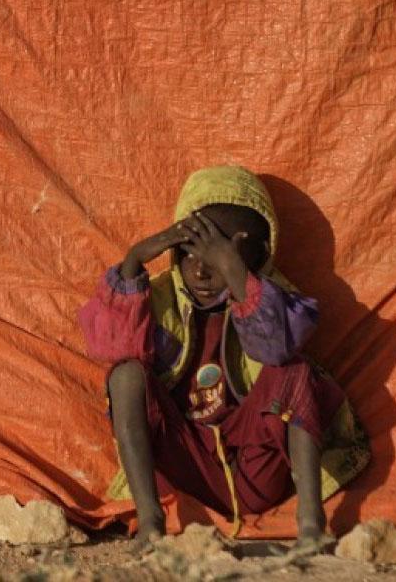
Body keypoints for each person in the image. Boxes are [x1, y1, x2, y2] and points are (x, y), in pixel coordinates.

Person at [78, 166, 368, 553]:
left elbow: (276, 347)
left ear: (255, 257)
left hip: (255, 467)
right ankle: (151, 523)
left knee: (296, 370)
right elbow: (108, 346)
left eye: (219, 258)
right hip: (185, 466)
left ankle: (312, 526)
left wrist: (236, 272)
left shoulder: (274, 297)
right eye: (190, 252)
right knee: (126, 376)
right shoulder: (158, 297)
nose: (200, 269)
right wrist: (133, 260)